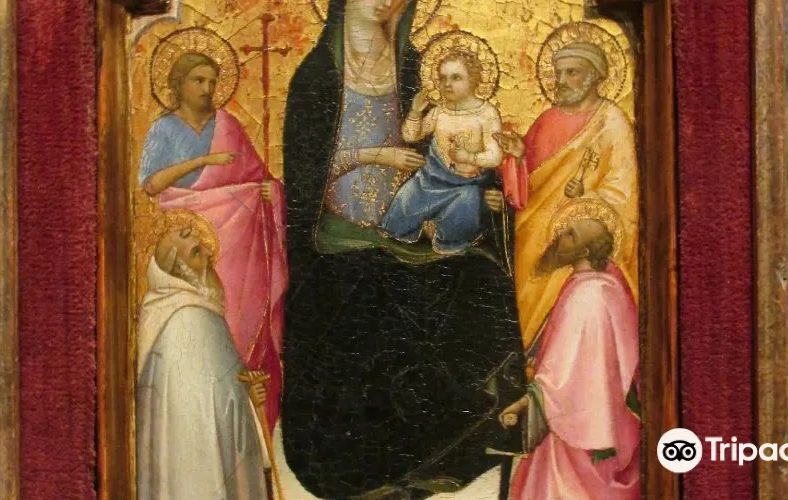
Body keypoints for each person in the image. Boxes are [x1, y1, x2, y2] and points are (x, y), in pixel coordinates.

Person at [281, 0, 526, 497]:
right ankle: (358, 473)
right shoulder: (316, 80)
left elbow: (459, 156)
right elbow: (307, 173)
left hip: (415, 241)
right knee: (353, 326)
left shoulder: (418, 71)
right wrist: (376, 155)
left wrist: (490, 191)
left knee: (478, 287)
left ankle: (439, 458)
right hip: (340, 241)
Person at [138, 51, 287, 430]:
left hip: (242, 247)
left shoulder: (228, 124)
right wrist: (201, 162)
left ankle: (251, 423)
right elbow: (152, 185)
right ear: (178, 85)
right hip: (190, 238)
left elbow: (259, 177)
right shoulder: (163, 129)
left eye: (212, 81)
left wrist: (270, 192)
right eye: (198, 80)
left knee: (241, 320)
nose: (207, 88)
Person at [492, 41, 638, 352]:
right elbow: (525, 183)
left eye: (572, 72)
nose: (561, 80)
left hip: (576, 239)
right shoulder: (546, 119)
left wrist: (587, 194)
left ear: (595, 76)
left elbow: (624, 191)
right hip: (532, 237)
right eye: (559, 73)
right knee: (526, 303)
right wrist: (517, 158)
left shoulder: (612, 122)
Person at [498, 201, 640, 500]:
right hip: (600, 421)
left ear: (584, 251)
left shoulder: (587, 297)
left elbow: (563, 377)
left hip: (578, 431)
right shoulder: (604, 285)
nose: (560, 237)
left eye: (570, 235)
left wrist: (524, 403)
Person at [136, 225, 272, 500]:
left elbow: (219, 394)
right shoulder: (190, 320)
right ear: (180, 272)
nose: (210, 255)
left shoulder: (191, 314)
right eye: (197, 253)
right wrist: (243, 399)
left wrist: (248, 396)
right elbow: (205, 411)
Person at [380, 50, 504, 253]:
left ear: (474, 80)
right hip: (430, 181)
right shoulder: (439, 111)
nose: (447, 84)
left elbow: (495, 156)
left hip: (467, 185)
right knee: (408, 197)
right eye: (442, 78)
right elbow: (411, 136)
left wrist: (469, 157)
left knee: (467, 202)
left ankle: (444, 237)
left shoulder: (487, 114)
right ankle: (410, 230)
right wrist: (415, 112)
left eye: (456, 77)